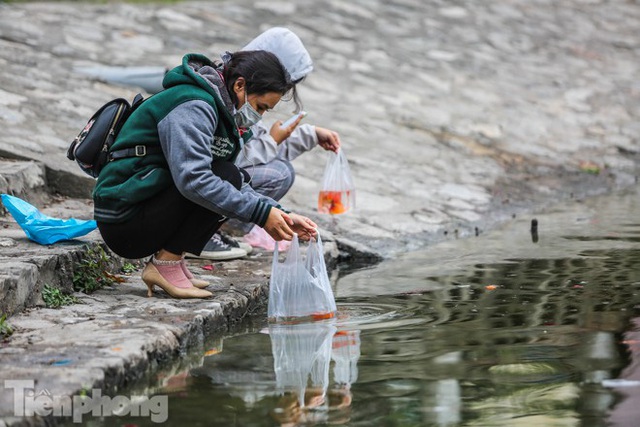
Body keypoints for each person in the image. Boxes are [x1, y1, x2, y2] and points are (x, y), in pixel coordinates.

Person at [92, 50, 318, 299]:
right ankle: (165, 264)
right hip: (123, 219)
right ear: (240, 85)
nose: (260, 116)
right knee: (220, 177)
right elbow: (194, 179)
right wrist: (261, 215)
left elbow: (233, 181)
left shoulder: (222, 112)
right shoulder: (194, 105)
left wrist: (280, 214)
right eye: (260, 106)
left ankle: (172, 261)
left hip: (144, 207)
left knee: (229, 176)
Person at [195, 27, 342, 260]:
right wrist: (273, 140)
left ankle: (211, 228)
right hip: (190, 185)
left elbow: (257, 146)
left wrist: (309, 135)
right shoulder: (219, 101)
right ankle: (199, 235)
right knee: (277, 173)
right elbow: (232, 156)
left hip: (208, 177)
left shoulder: (240, 99)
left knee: (280, 169)